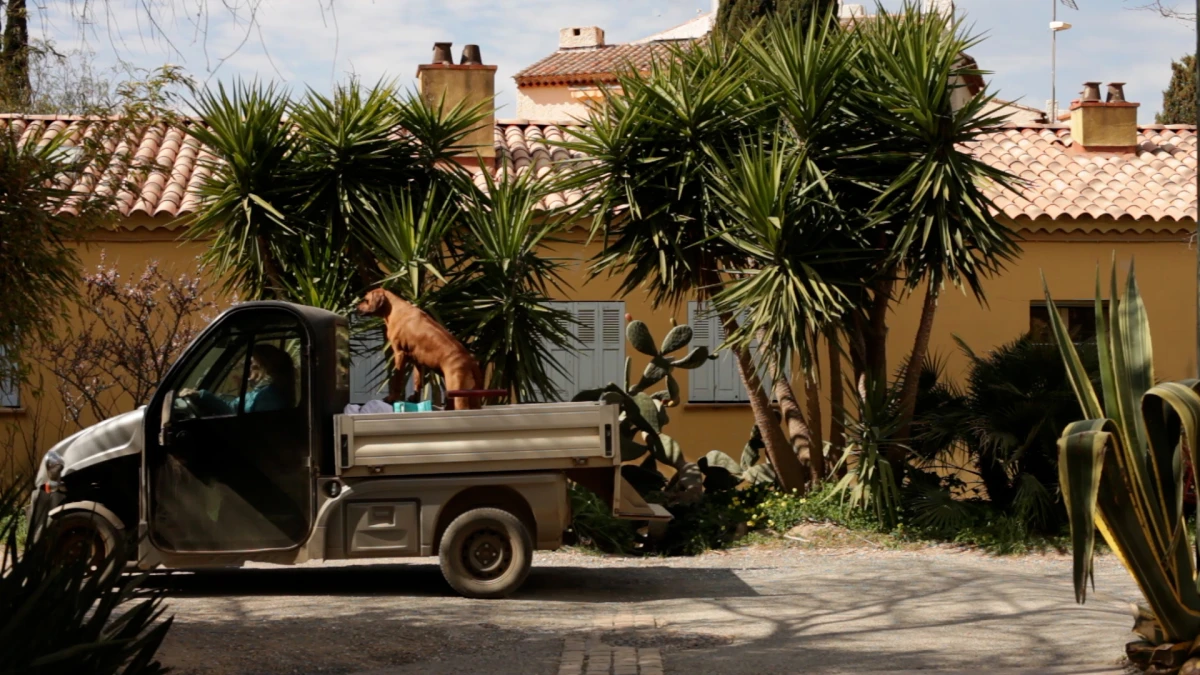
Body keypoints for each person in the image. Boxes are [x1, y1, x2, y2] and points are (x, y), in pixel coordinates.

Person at [180, 344, 296, 416]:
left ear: (266, 368)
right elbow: (233, 407)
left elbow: (238, 418)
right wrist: (200, 395)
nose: (248, 370)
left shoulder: (270, 399)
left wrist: (202, 395)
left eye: (253, 366)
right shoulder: (261, 393)